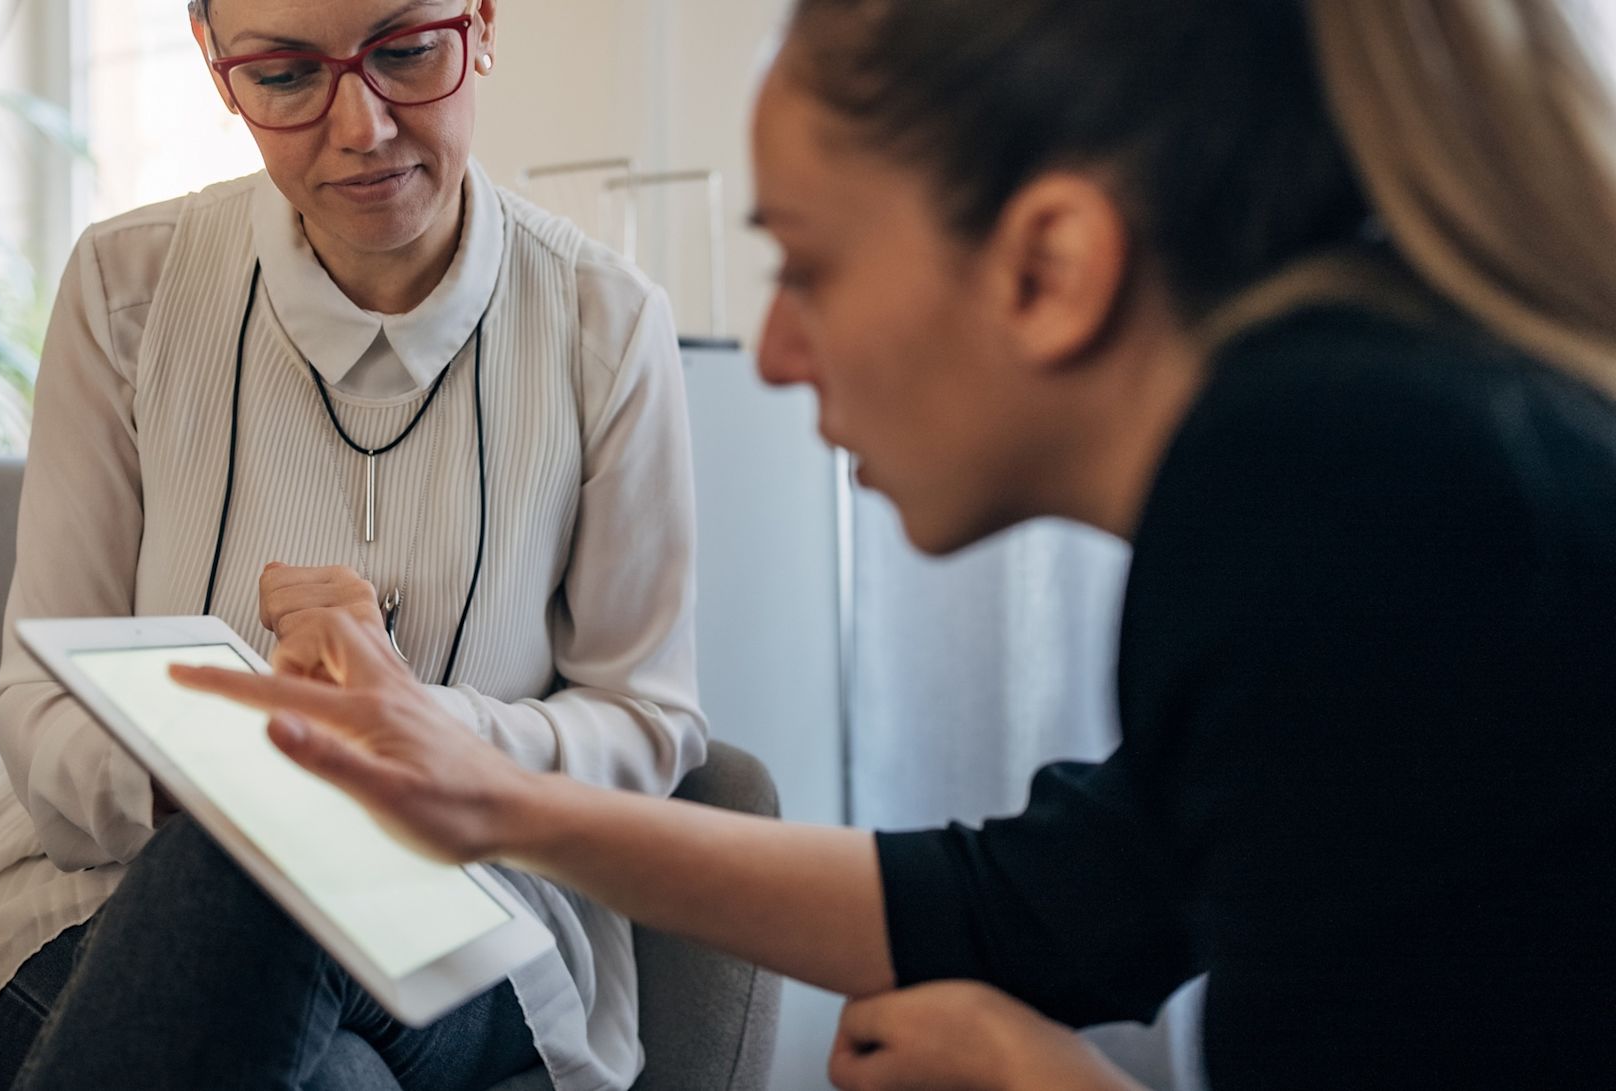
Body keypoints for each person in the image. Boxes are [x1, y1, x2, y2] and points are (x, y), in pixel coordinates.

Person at [174, 0, 1616, 1088]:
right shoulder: (1369, 446)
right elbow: (1044, 906)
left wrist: (1043, 1076)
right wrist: (493, 799)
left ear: (1049, 265)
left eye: (808, 263)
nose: (782, 347)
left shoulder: (1348, 498)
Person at [0, 0, 708, 1088]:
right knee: (295, 976)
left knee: (258, 860)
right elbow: (38, 695)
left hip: (478, 908)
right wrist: (207, 782)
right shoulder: (128, 291)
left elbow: (647, 719)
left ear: (483, 24)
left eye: (406, 53)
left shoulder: (605, 327)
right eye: (283, 77)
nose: (360, 126)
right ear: (217, 70)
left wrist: (412, 736)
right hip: (98, 891)